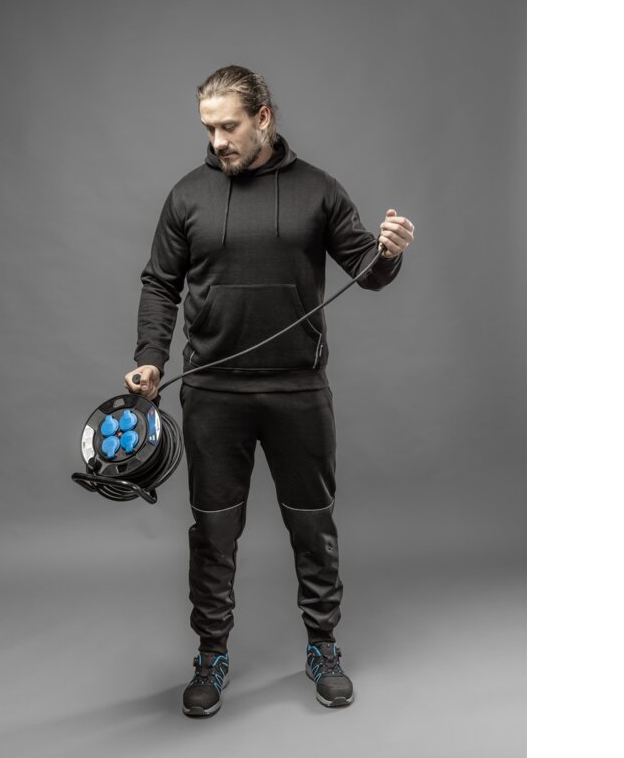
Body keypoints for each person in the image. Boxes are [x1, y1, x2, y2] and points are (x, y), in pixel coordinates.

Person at [124, 65, 415, 718]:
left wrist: (390, 251)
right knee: (213, 532)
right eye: (208, 128)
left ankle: (323, 647)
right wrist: (149, 360)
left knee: (313, 527)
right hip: (212, 393)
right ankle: (211, 654)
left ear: (264, 118)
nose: (217, 140)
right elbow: (159, 283)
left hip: (297, 390)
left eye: (229, 126)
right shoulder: (187, 195)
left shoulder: (318, 190)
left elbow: (367, 271)